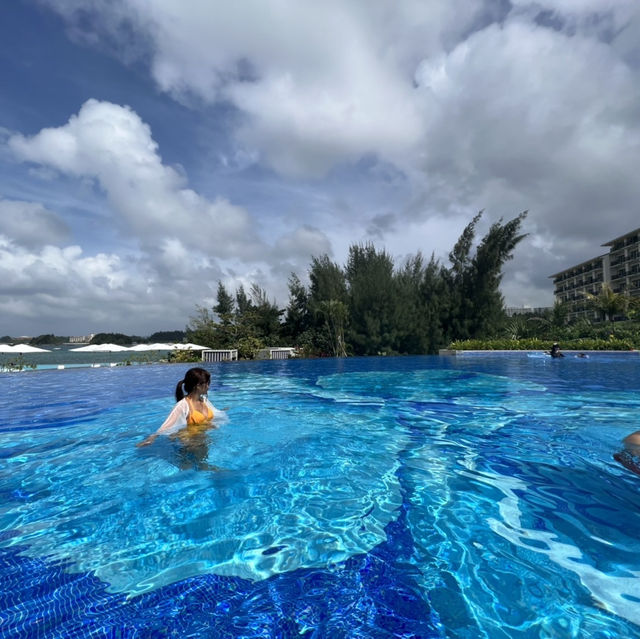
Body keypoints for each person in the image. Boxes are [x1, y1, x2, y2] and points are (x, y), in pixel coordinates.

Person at [137, 367, 223, 448]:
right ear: (198, 385)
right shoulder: (183, 405)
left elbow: (214, 412)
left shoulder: (204, 400)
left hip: (203, 440)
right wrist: (152, 437)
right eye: (207, 383)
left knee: (203, 463)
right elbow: (168, 424)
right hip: (189, 444)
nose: (208, 386)